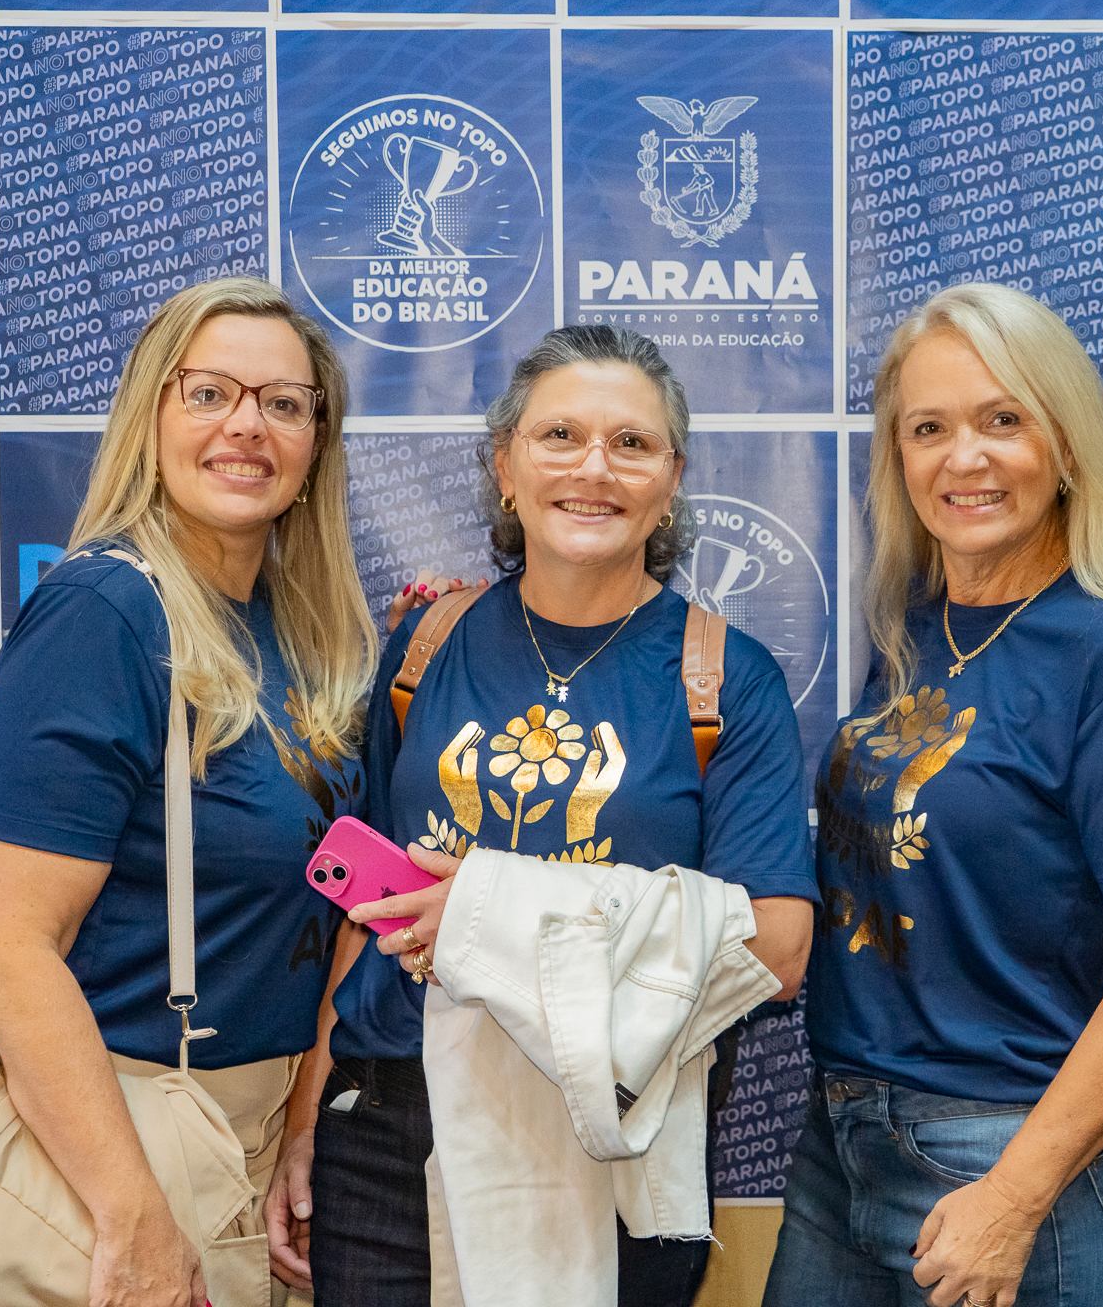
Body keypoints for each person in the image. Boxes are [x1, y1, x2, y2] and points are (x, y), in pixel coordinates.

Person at [270, 325, 818, 1306]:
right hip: (388, 1129)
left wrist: (492, 903)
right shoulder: (425, 644)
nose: (594, 469)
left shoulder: (725, 678)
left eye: (632, 444)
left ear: (673, 478)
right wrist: (309, 1113)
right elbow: (372, 907)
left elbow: (776, 949)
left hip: (605, 1135)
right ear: (505, 465)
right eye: (559, 435)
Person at [763, 283, 1103, 1307]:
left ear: (1065, 445)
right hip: (842, 1138)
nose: (962, 457)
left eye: (1001, 419)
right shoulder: (911, 630)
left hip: (1008, 1152)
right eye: (928, 427)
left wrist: (1015, 1197)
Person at [0, 277, 375, 1307]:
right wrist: (130, 1212)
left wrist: (302, 1114)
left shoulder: (298, 631)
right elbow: (6, 940)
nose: (248, 426)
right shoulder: (106, 612)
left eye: (284, 403)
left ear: (317, 442)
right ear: (151, 414)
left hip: (249, 1131)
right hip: (119, 1142)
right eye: (211, 393)